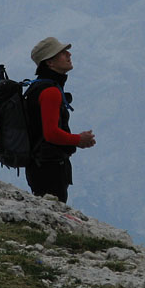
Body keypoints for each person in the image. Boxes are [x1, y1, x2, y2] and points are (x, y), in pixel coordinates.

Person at [24, 37, 96, 203]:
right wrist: (79, 140)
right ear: (50, 63)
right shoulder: (50, 92)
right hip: (50, 166)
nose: (68, 54)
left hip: (38, 165)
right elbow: (51, 134)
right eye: (62, 53)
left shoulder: (37, 87)